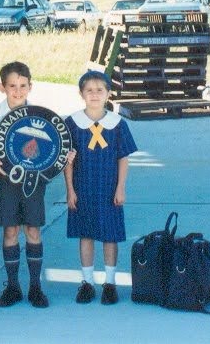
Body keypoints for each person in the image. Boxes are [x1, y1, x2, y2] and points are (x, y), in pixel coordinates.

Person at [0, 61, 75, 309]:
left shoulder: (40, 116)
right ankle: (12, 287)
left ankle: (35, 287)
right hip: (6, 181)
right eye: (12, 86)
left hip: (33, 181)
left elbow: (56, 146)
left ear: (30, 86)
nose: (17, 91)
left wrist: (65, 157)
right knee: (10, 231)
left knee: (33, 231)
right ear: (2, 87)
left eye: (22, 86)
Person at [64, 71, 137, 306]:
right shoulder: (72, 123)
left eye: (99, 90)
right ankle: (87, 283)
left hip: (108, 187)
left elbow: (123, 157)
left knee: (110, 235)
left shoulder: (117, 124)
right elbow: (67, 160)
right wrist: (70, 190)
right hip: (83, 186)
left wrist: (121, 188)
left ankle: (110, 283)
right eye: (89, 90)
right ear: (81, 94)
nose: (94, 94)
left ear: (108, 93)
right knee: (86, 234)